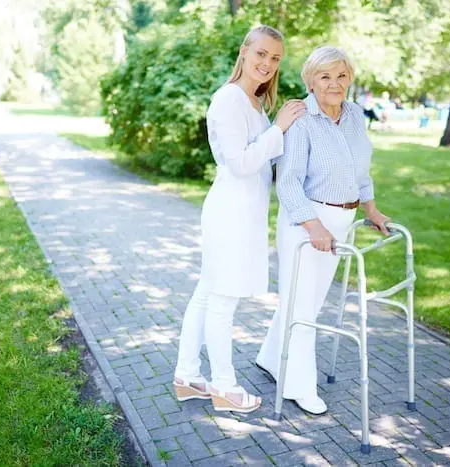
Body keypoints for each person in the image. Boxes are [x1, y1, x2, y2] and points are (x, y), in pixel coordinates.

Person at [173, 25, 306, 414]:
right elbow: (241, 162)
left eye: (275, 58)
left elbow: (263, 162)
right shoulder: (229, 98)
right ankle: (224, 387)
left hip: (243, 213)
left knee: (206, 294)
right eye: (261, 54)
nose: (267, 63)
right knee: (221, 300)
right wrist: (280, 127)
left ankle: (186, 375)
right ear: (245, 52)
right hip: (229, 213)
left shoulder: (254, 103)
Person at [256, 46, 390, 415]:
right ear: (310, 82)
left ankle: (271, 357)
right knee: (303, 305)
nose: (334, 84)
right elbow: (288, 182)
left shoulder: (355, 115)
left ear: (350, 78)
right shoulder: (301, 118)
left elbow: (359, 170)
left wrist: (372, 209)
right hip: (306, 222)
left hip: (341, 221)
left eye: (341, 76)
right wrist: (313, 226)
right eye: (325, 77)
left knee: (308, 301)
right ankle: (299, 386)